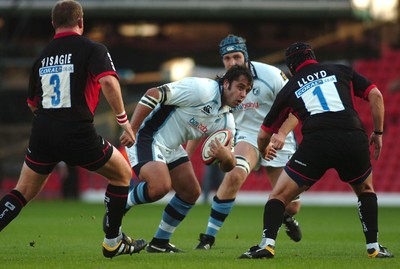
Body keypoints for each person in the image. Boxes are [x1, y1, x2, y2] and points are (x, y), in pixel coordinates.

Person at [0, 0, 147, 259]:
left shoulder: (42, 57)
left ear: (53, 24)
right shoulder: (92, 48)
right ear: (81, 22)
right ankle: (113, 241)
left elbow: (33, 103)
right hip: (77, 131)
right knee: (122, 174)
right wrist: (124, 121)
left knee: (21, 192)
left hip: (43, 132)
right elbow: (109, 83)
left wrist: (51, 126)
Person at [239, 42, 394, 259]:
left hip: (317, 142)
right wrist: (378, 133)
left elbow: (264, 134)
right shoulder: (341, 70)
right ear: (313, 57)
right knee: (366, 190)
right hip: (352, 137)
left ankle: (267, 245)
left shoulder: (290, 87)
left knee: (279, 196)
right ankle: (374, 247)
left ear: (291, 67)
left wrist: (263, 152)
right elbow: (376, 94)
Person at [121, 65, 253, 253]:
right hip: (148, 136)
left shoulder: (226, 121)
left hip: (172, 147)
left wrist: (226, 157)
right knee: (160, 187)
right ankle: (120, 202)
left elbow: (228, 167)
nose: (243, 94)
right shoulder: (202, 90)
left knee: (190, 192)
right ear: (226, 84)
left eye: (247, 91)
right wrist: (132, 129)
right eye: (240, 87)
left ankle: (159, 243)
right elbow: (153, 93)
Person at [190, 34, 301, 250]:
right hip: (246, 136)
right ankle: (208, 238)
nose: (232, 63)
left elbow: (297, 109)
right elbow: (204, 119)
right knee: (235, 174)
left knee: (292, 205)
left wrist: (281, 134)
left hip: (278, 138)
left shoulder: (272, 76)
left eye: (236, 57)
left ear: (246, 56)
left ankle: (286, 218)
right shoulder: (223, 84)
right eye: (227, 58)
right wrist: (187, 154)